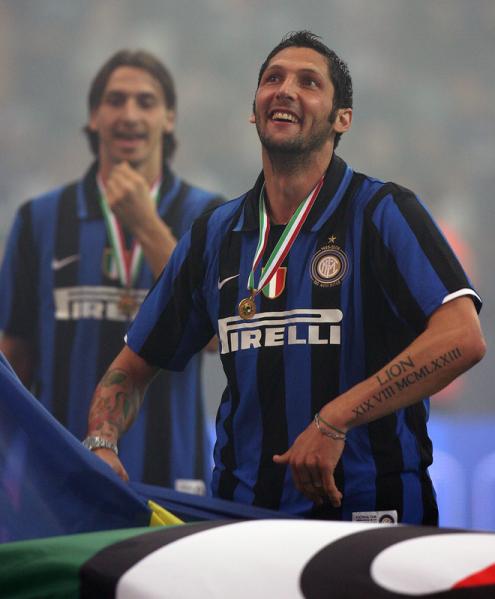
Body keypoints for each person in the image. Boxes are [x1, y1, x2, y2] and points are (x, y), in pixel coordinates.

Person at [85, 32, 485, 524]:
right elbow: (129, 370)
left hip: (372, 519)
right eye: (273, 79)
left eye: (309, 82)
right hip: (242, 523)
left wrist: (335, 418)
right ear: (254, 111)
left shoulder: (384, 212)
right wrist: (101, 441)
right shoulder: (213, 235)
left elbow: (462, 337)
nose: (286, 90)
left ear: (342, 119)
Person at [0, 50, 223, 488]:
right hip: (58, 478)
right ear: (94, 117)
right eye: (115, 100)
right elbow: (15, 357)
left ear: (169, 119)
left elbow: (216, 337)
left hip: (171, 477)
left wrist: (146, 225)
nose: (129, 114)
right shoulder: (39, 220)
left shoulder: (209, 216)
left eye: (146, 102)